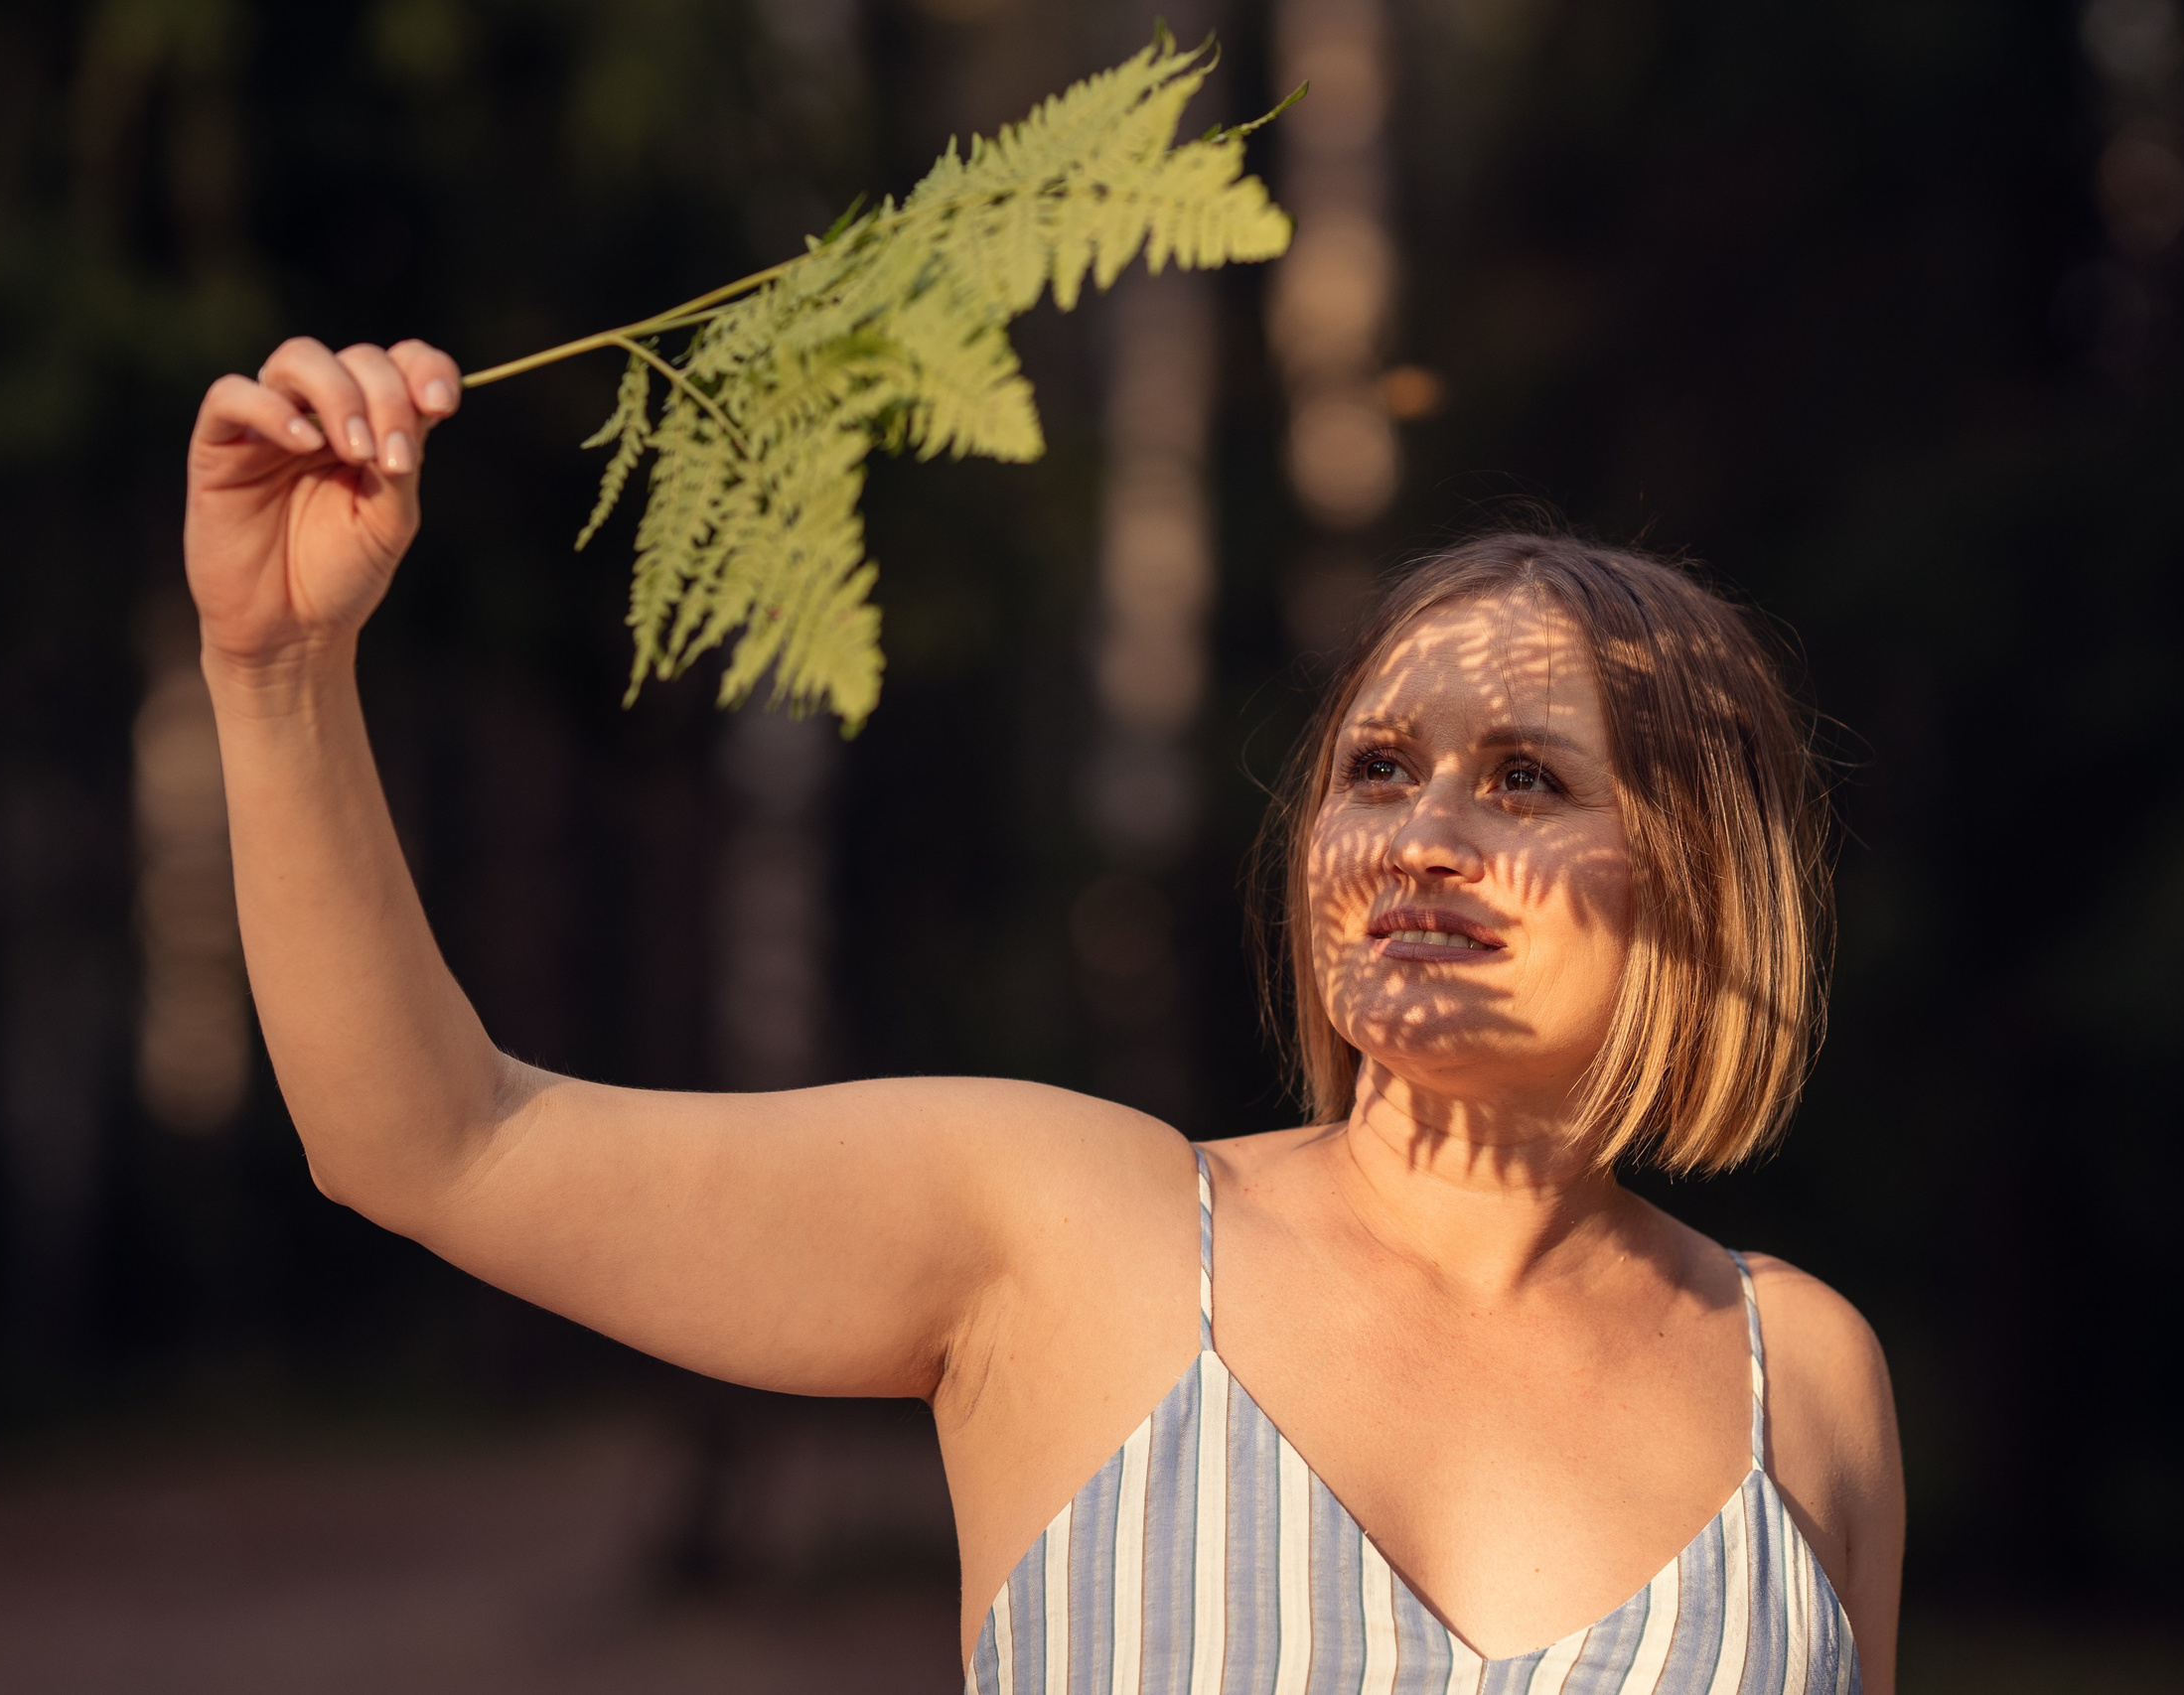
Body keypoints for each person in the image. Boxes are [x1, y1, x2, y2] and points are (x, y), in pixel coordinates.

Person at [185, 335, 1904, 1695]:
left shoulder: (1797, 1380)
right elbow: (438, 1140)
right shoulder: (1075, 1231)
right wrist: (276, 674)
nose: (1422, 835)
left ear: (1692, 881)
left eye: (1524, 779)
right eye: (1377, 768)